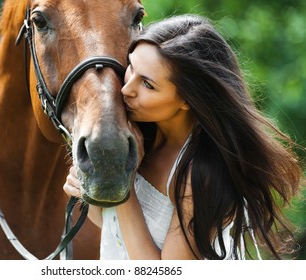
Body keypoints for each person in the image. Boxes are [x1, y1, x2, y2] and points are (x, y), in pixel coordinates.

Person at [64, 14, 302, 260]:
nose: (126, 89)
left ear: (188, 99)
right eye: (131, 67)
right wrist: (90, 190)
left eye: (147, 84)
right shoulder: (136, 128)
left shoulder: (199, 173)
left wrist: (123, 180)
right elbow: (111, 225)